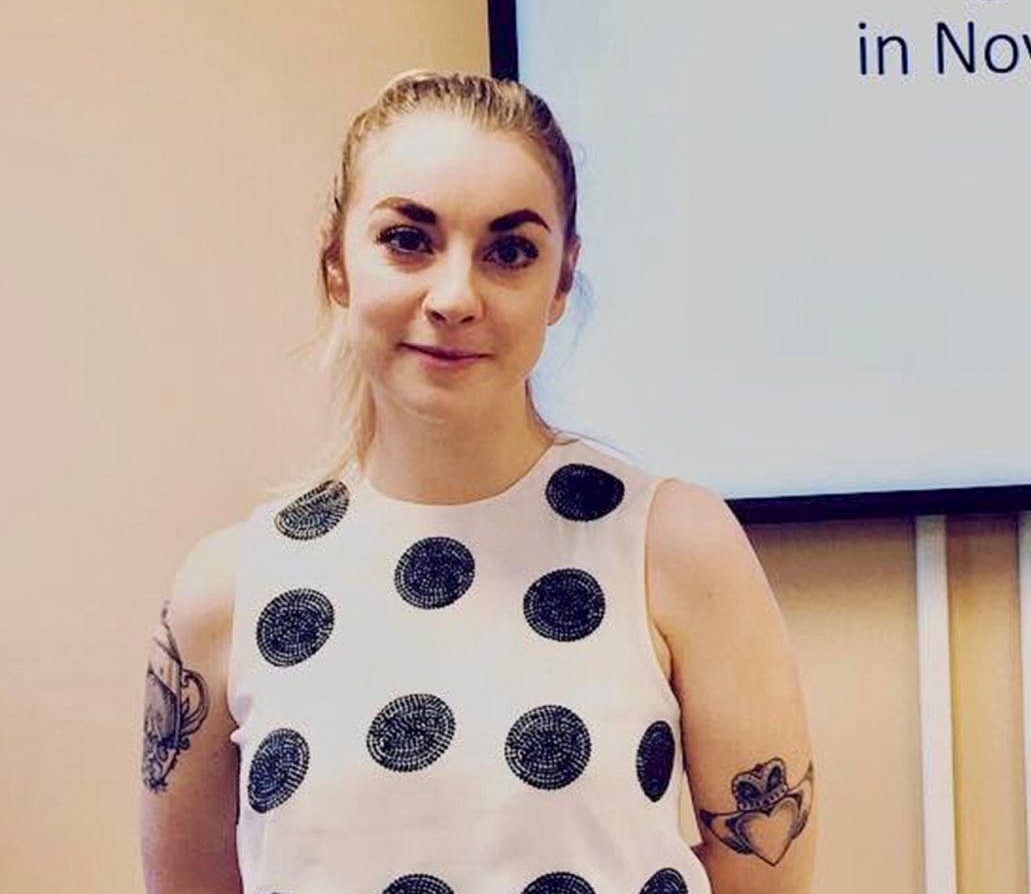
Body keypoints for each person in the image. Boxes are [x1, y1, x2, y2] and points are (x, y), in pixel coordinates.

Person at [139, 72, 815, 894]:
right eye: (408, 240)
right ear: (336, 264)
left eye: (509, 251)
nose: (455, 296)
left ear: (561, 281)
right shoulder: (224, 592)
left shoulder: (674, 545)